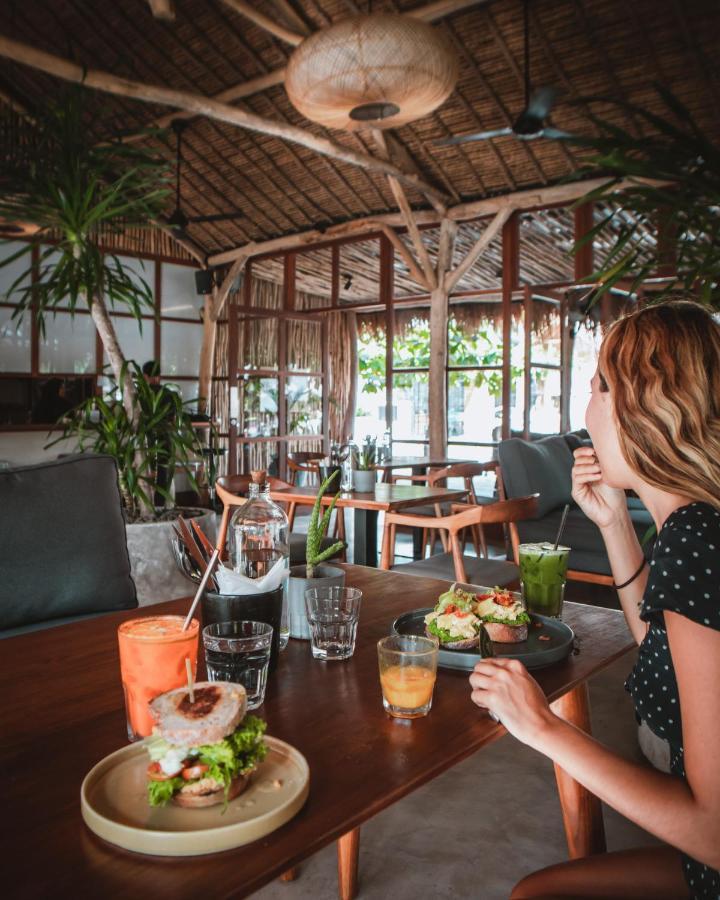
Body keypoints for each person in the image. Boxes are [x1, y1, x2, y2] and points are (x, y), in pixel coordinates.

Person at [469, 299, 720, 899]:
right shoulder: (693, 525)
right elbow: (657, 644)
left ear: (643, 405)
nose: (587, 409)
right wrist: (613, 526)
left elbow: (713, 833)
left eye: (598, 387)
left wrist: (541, 726)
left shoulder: (695, 539)